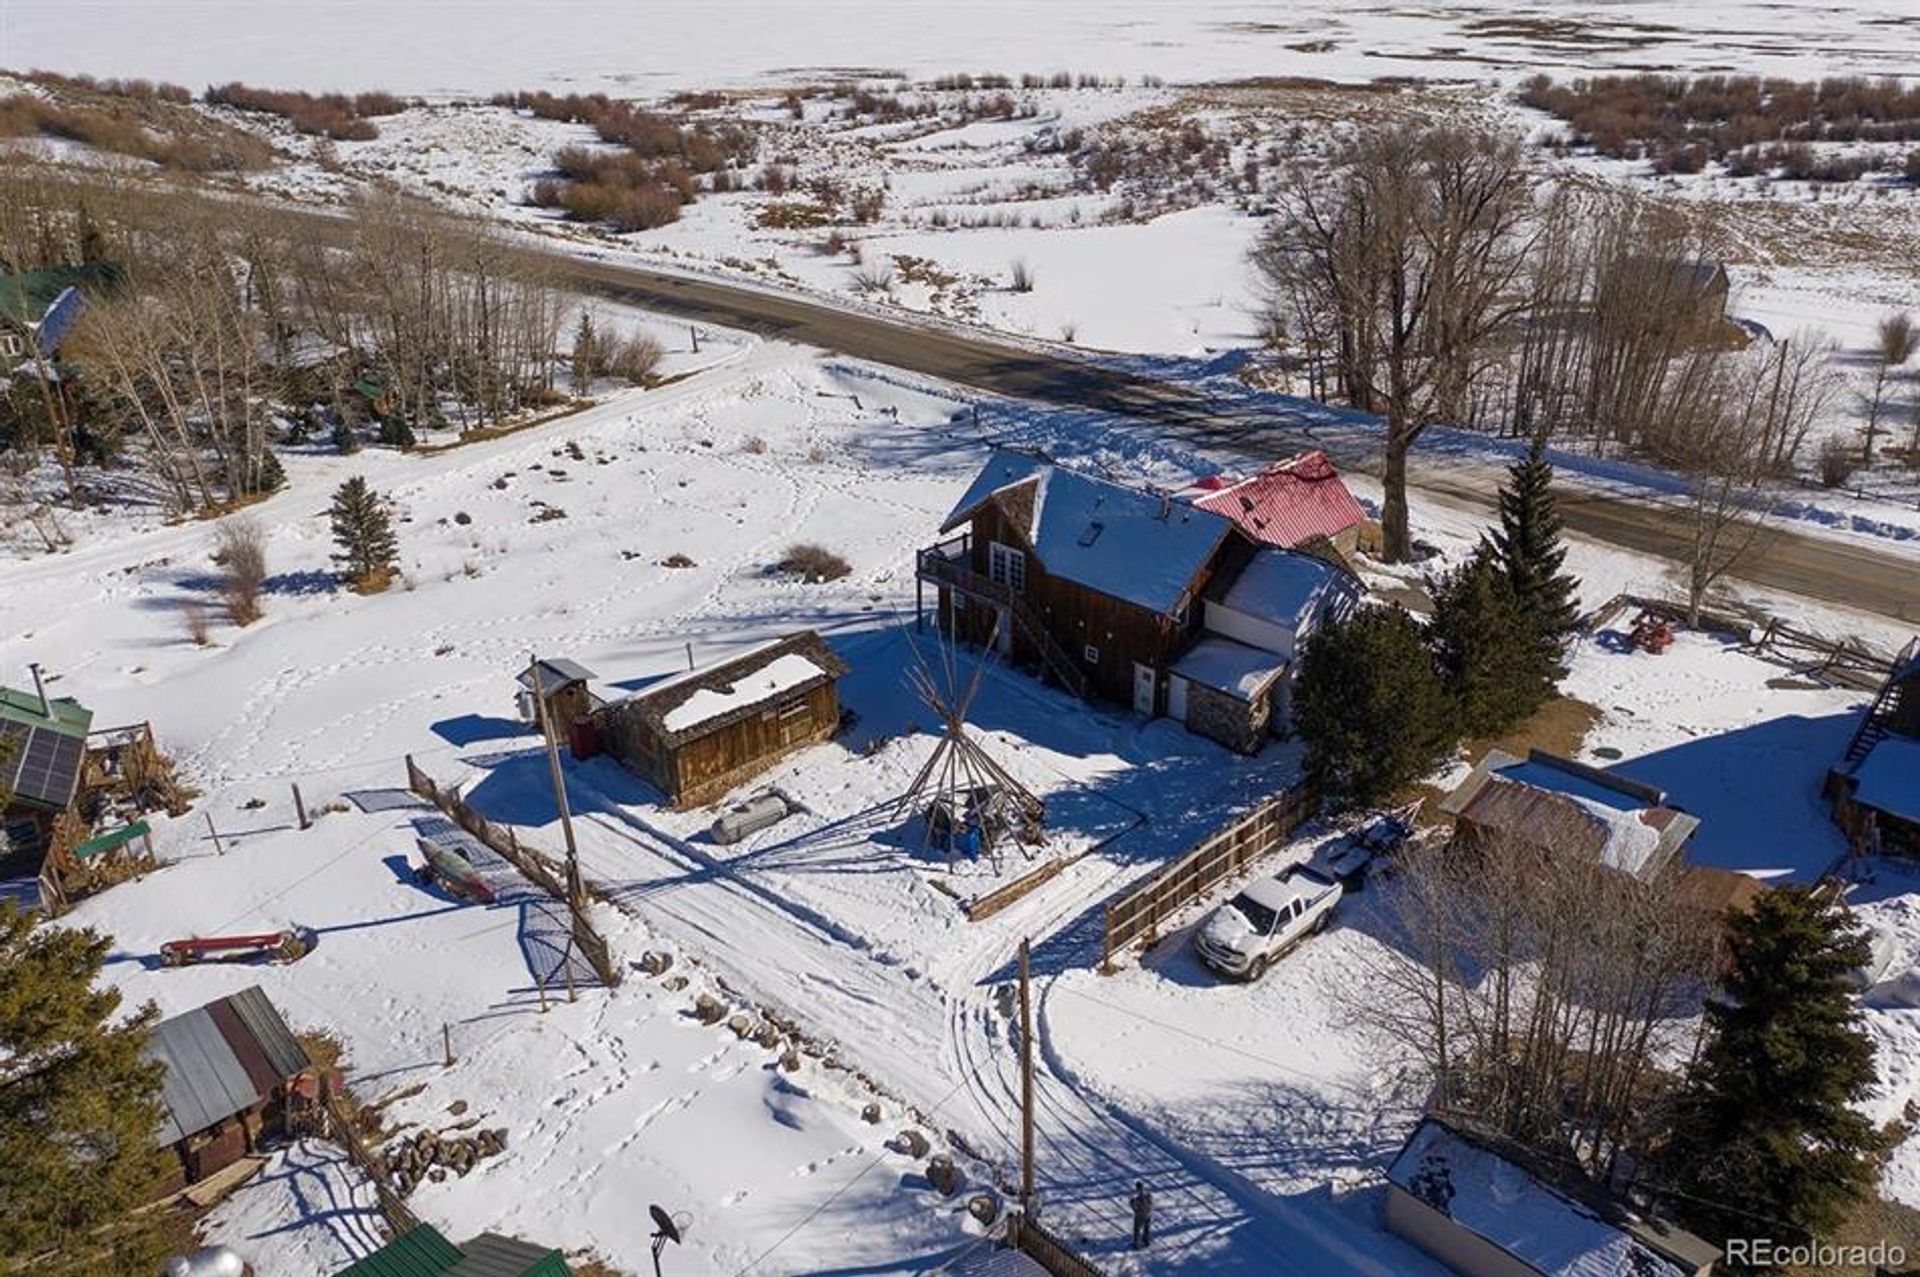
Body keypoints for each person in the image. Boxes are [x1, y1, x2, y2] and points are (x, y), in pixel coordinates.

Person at [1130, 1180, 1153, 1250]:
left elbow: (1134, 1207)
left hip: (1140, 1215)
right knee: (1146, 1228)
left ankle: (1136, 1244)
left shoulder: (1136, 1197)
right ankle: (1146, 1241)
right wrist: (1149, 1210)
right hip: (1148, 1214)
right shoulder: (1148, 1195)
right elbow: (1151, 1203)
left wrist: (1133, 1204)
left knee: (1137, 1229)